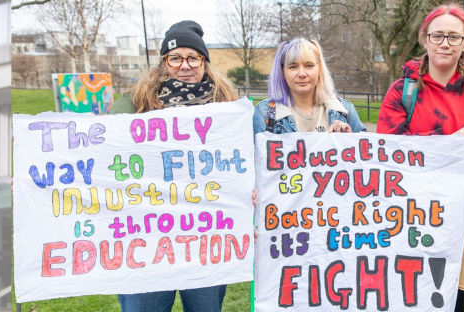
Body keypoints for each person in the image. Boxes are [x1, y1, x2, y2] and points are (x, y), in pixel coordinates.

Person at [375, 4, 464, 311]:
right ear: (424, 39)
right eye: (438, 36)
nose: (445, 44)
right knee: (406, 291)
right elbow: (386, 151)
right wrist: (448, 144)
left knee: (452, 296)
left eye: (454, 37)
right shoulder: (402, 92)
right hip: (409, 213)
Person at [109, 20, 236, 312]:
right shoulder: (132, 105)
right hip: (144, 237)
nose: (185, 65)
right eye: (175, 58)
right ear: (164, 63)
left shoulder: (227, 107)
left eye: (193, 57)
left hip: (207, 236)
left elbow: (245, 162)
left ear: (205, 63)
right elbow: (97, 159)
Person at [252, 38, 366, 137]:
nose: (302, 73)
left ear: (319, 69)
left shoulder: (345, 111)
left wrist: (350, 141)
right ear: (283, 72)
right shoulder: (265, 114)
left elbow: (366, 158)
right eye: (293, 67)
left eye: (309, 66)